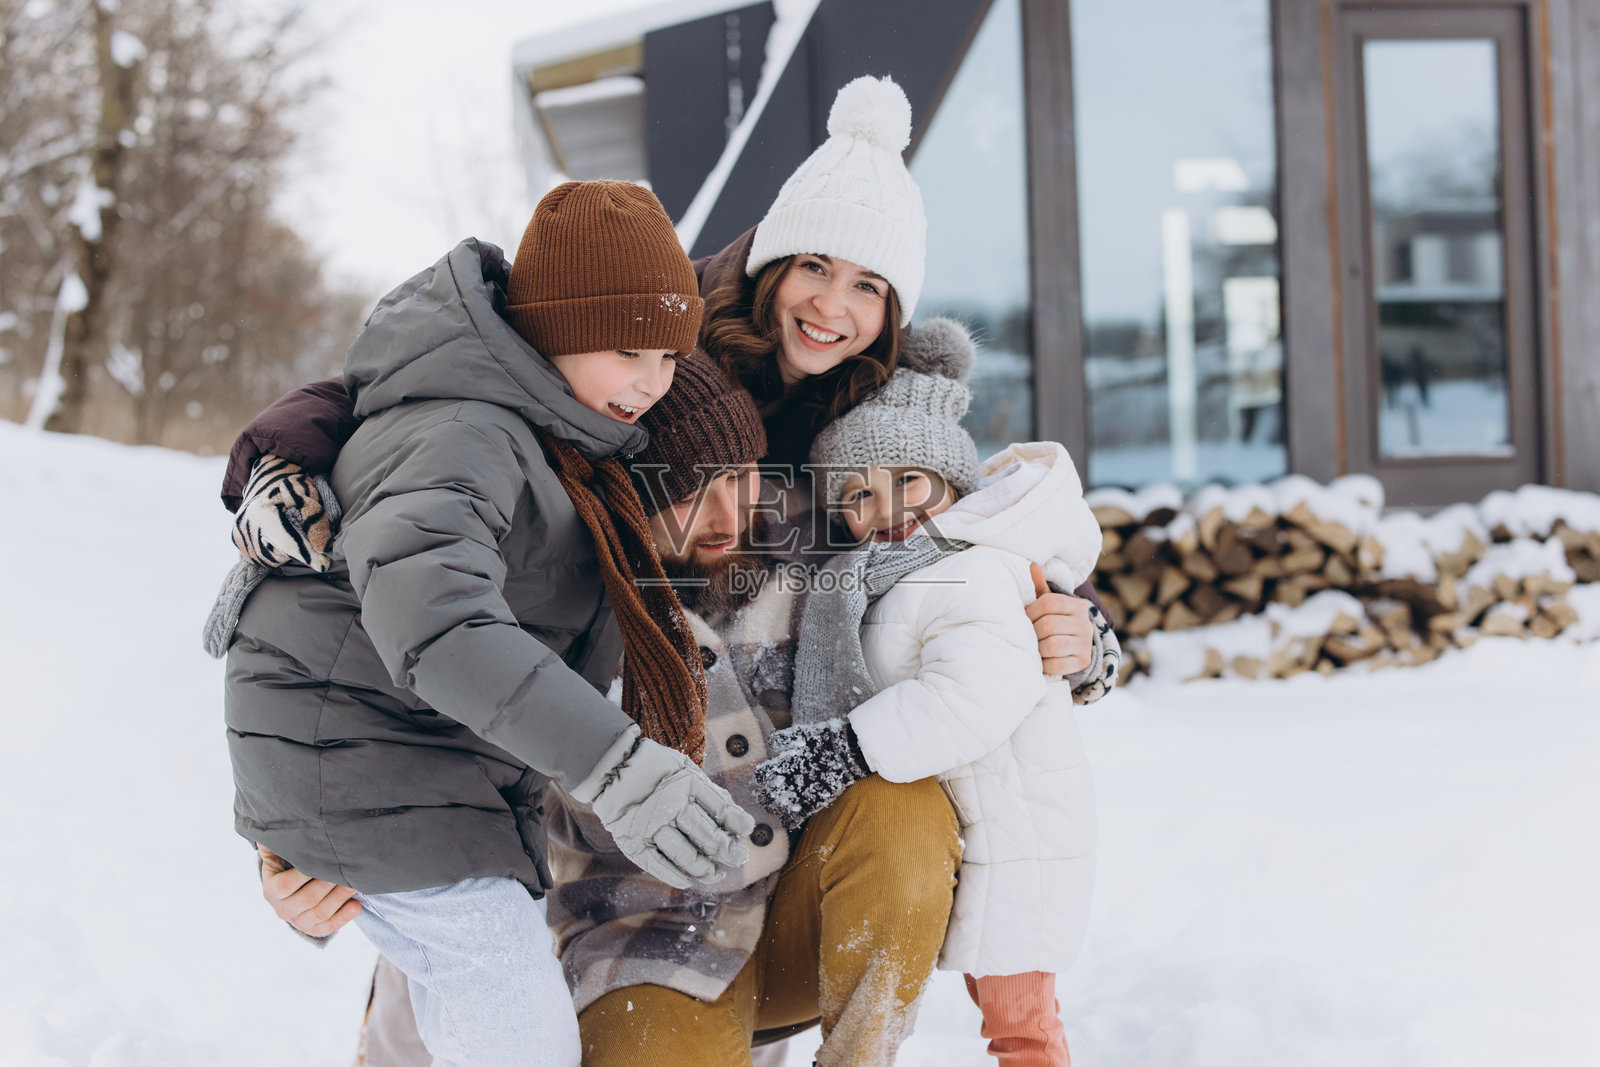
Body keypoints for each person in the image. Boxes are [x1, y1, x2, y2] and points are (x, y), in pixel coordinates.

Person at [214, 180, 755, 1067]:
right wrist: (619, 764)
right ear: (552, 327)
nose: (653, 383)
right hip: (367, 749)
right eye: (629, 349)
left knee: (489, 1005)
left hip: (415, 758)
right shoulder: (468, 429)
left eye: (671, 355)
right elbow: (438, 621)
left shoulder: (557, 438)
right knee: (512, 1019)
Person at [752, 330, 1118, 1066]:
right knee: (1012, 1016)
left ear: (953, 481)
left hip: (1013, 836)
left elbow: (974, 691)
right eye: (858, 493)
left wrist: (845, 746)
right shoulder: (889, 573)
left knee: (1021, 1025)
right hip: (964, 820)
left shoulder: (964, 570)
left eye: (908, 480)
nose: (885, 507)